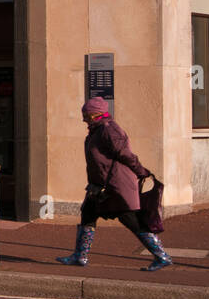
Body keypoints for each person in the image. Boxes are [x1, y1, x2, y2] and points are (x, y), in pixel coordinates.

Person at [57, 97, 172, 271]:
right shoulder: (96, 130)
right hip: (99, 186)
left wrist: (141, 171)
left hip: (116, 186)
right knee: (87, 214)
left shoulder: (110, 130)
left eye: (86, 115)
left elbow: (125, 154)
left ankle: (161, 256)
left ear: (97, 114)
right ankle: (80, 256)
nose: (84, 118)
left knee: (130, 220)